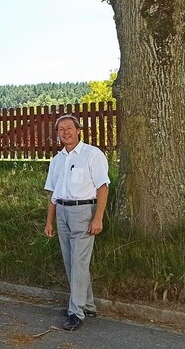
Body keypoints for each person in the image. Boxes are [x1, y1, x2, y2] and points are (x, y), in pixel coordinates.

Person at [44, 114, 109, 331]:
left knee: (79, 262)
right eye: (61, 129)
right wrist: (49, 221)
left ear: (79, 130)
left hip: (84, 211)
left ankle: (76, 312)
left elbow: (102, 187)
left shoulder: (92, 155)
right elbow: (52, 192)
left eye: (69, 128)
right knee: (71, 261)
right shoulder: (57, 160)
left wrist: (98, 217)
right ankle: (87, 304)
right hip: (62, 211)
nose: (65, 132)